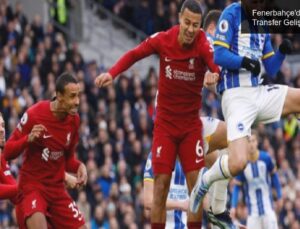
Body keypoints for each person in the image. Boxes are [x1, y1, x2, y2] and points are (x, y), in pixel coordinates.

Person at [95, 0, 220, 227]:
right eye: (187, 23)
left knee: (197, 190)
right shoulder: (164, 39)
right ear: (179, 19)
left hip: (191, 126)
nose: (191, 29)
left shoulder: (203, 43)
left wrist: (215, 74)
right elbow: (134, 54)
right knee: (160, 186)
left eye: (196, 25)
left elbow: (215, 63)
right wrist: (113, 73)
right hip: (166, 126)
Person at [190, 0, 298, 224]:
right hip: (236, 95)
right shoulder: (231, 14)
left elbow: (270, 67)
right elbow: (218, 54)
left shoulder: (261, 21)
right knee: (238, 162)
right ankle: (205, 182)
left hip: (258, 93)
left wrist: (281, 52)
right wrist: (244, 62)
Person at [3, 72, 88, 229]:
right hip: (32, 187)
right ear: (59, 96)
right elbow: (7, 152)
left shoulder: (74, 121)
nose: (77, 102)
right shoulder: (35, 114)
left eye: (78, 96)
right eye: (72, 96)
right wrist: (27, 139)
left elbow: (68, 160)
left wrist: (80, 167)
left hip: (56, 190)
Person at [230, 131, 282, 229]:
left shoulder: (266, 158)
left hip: (268, 210)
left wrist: (279, 195)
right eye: (249, 141)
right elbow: (237, 186)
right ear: (245, 144)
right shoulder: (242, 164)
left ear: (257, 142)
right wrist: (233, 206)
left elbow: (274, 176)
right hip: (252, 214)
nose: (251, 144)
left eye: (253, 141)